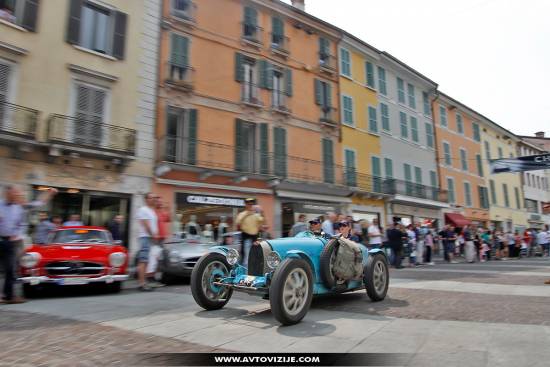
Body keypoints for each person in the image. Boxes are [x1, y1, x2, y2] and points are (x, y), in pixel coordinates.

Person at [0, 185, 57, 304]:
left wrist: (49, 193)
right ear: (7, 194)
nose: (18, 196)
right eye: (16, 194)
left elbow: (39, 202)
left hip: (12, 242)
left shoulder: (20, 207)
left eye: (19, 195)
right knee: (9, 269)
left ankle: (8, 296)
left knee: (11, 269)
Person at [135, 193, 158, 291]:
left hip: (148, 237)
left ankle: (144, 282)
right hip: (145, 237)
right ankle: (142, 283)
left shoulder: (151, 210)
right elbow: (146, 225)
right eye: (151, 198)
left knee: (146, 261)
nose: (153, 199)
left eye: (154, 197)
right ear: (146, 199)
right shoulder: (143, 210)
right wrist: (153, 235)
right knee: (143, 261)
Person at [235, 198, 264, 267]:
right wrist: (247, 214)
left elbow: (262, 223)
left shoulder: (256, 215)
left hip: (255, 237)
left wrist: (261, 212)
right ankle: (243, 268)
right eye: (248, 204)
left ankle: (255, 267)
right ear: (246, 205)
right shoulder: (242, 214)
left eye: (251, 204)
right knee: (244, 255)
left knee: (256, 255)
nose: (250, 205)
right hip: (245, 236)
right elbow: (238, 224)